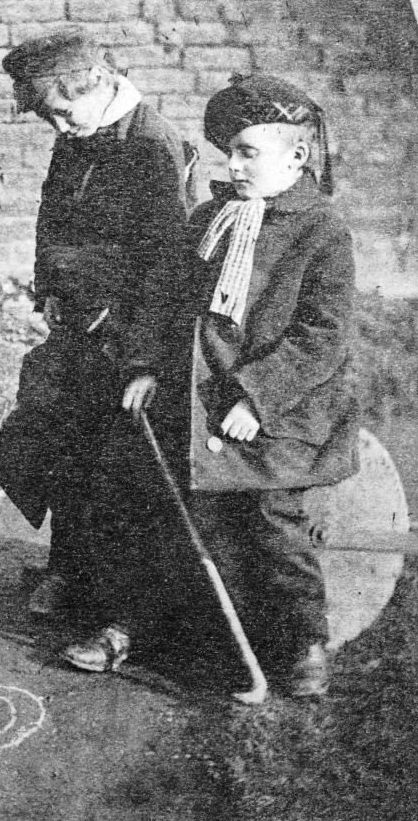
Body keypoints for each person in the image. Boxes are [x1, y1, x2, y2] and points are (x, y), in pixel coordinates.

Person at [118, 73, 357, 697]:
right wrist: (145, 365)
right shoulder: (212, 218)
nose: (235, 164)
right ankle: (199, 637)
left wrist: (256, 397)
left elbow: (322, 335)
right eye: (229, 152)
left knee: (276, 529)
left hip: (279, 414)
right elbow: (167, 299)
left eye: (249, 151)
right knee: (193, 521)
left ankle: (304, 645)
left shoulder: (321, 232)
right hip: (204, 402)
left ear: (296, 156)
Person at [0, 29, 191, 618]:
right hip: (76, 328)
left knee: (110, 464)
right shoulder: (78, 135)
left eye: (63, 112)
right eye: (49, 119)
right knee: (54, 443)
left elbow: (166, 264)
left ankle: (111, 597)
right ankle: (67, 568)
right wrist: (48, 287)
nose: (59, 128)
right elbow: (51, 220)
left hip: (126, 339)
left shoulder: (152, 145)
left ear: (98, 82)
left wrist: (144, 357)